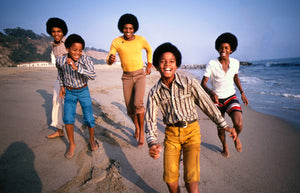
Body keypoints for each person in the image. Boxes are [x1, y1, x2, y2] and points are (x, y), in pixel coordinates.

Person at [145, 43, 237, 193]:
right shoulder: (154, 92)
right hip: (171, 135)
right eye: (162, 61)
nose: (167, 64)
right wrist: (152, 143)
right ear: (156, 65)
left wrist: (223, 125)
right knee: (170, 179)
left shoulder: (189, 83)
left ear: (177, 64)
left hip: (192, 133)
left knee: (191, 179)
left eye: (171, 61)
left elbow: (206, 104)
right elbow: (150, 119)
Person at [106, 13, 152, 147]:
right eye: (125, 28)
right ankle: (137, 127)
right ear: (122, 28)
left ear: (134, 28)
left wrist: (149, 64)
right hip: (126, 76)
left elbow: (149, 50)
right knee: (130, 109)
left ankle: (142, 133)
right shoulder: (116, 41)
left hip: (139, 75)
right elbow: (110, 58)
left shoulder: (141, 40)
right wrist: (110, 59)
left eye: (131, 28)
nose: (128, 31)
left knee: (138, 103)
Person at [201, 32, 249, 158]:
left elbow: (235, 77)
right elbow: (203, 83)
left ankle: (236, 136)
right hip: (216, 100)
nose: (223, 50)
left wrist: (242, 93)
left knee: (238, 123)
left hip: (230, 97)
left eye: (226, 48)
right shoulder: (212, 63)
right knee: (220, 127)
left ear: (231, 50)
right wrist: (211, 92)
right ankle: (224, 145)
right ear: (218, 48)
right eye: (221, 48)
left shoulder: (235, 63)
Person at [56, 34, 98, 159]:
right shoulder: (60, 60)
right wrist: (62, 86)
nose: (77, 53)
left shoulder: (85, 59)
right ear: (68, 49)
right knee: (68, 118)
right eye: (74, 50)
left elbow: (93, 75)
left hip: (83, 90)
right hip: (69, 92)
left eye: (80, 50)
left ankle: (91, 140)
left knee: (89, 118)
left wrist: (76, 67)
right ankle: (72, 144)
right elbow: (60, 73)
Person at [45, 17, 68, 139]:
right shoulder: (53, 46)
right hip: (60, 77)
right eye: (53, 31)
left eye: (59, 31)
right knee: (56, 100)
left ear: (63, 31)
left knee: (76, 104)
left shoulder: (68, 43)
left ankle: (90, 129)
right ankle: (59, 129)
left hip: (72, 78)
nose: (56, 34)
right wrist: (61, 83)